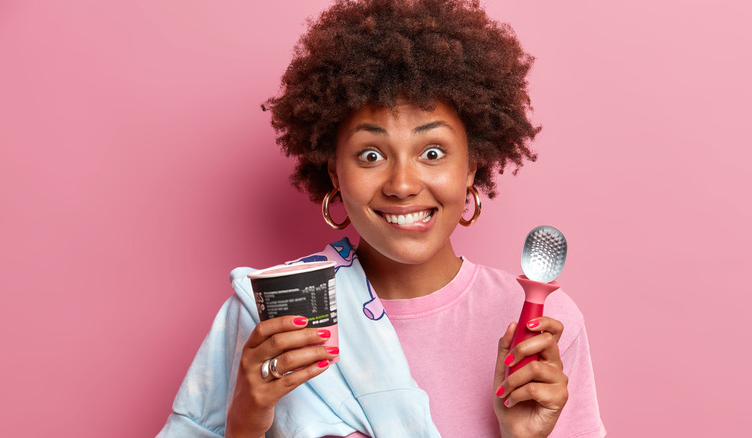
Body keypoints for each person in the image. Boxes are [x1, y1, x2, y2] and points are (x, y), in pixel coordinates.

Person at [158, 0, 605, 437]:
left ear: (471, 165)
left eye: (432, 152)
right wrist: (244, 425)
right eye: (370, 154)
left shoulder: (542, 327)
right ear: (335, 171)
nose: (403, 184)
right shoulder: (270, 315)